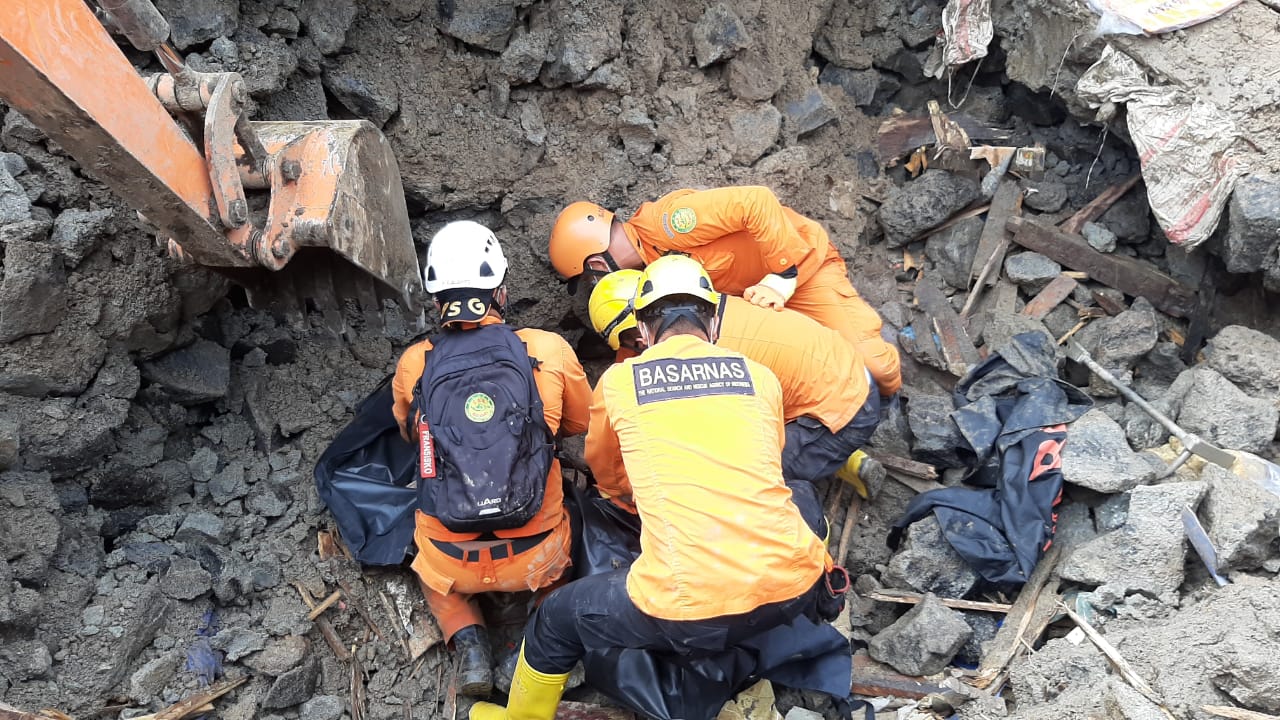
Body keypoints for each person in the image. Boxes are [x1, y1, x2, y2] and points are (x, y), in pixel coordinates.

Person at [470, 255, 844, 720]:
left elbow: (606, 470)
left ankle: (519, 718)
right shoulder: (759, 376)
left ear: (644, 330)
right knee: (802, 496)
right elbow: (768, 462)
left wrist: (632, 500)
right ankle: (822, 603)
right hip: (794, 587)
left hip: (688, 611)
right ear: (713, 321)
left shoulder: (621, 382)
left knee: (556, 619)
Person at [392, 221, 591, 697]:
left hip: (451, 559)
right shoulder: (547, 348)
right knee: (576, 520)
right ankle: (534, 635)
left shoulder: (415, 362)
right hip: (535, 554)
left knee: (430, 564)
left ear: (437, 300)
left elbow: (410, 434)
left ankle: (468, 641)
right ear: (500, 290)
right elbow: (579, 423)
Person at [547, 185, 902, 396]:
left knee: (877, 370)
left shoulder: (667, 224)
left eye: (591, 278)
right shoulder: (648, 276)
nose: (598, 284)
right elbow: (645, 336)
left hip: (806, 273)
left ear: (597, 264)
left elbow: (756, 201)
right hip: (759, 304)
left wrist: (783, 273)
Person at [587, 266, 882, 495]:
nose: (635, 349)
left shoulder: (708, 362)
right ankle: (841, 459)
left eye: (632, 342)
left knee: (747, 483)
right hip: (843, 378)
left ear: (641, 328)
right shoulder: (706, 311)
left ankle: (813, 528)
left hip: (844, 408)